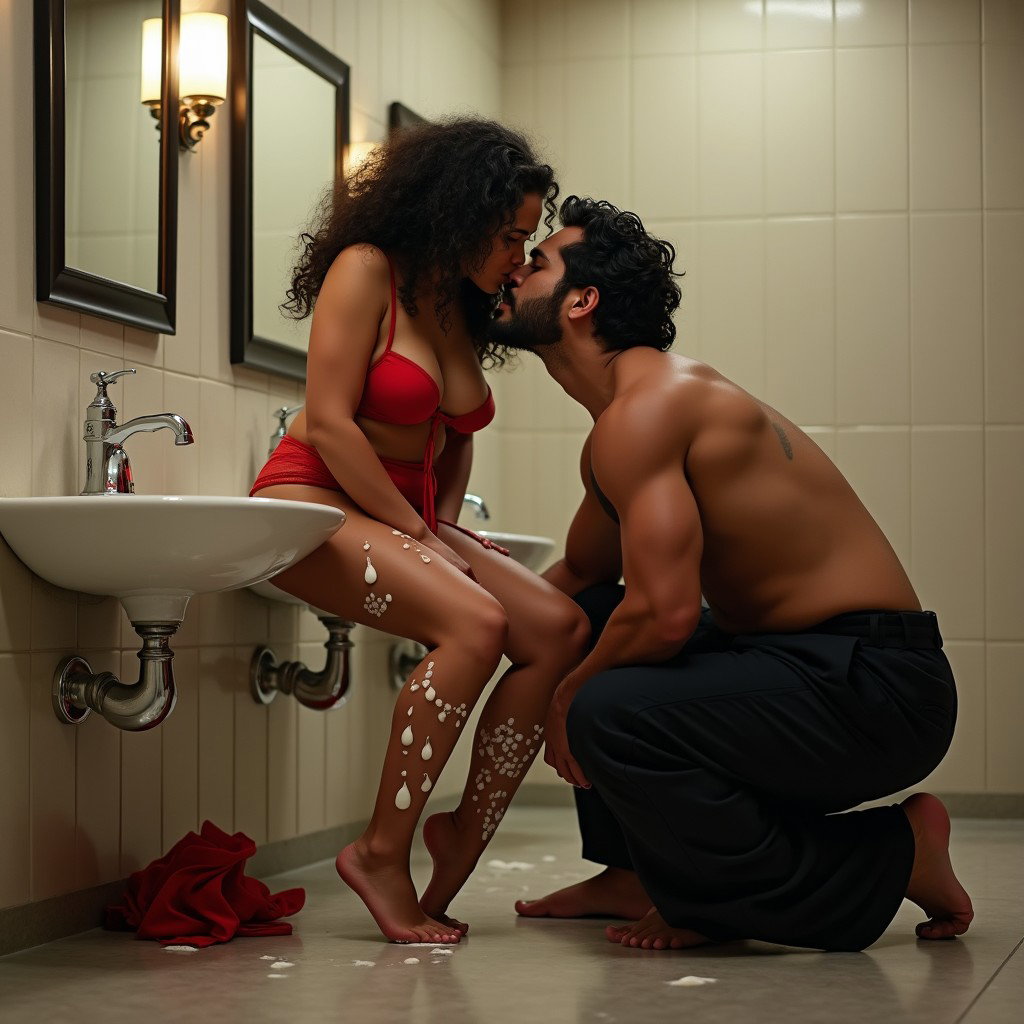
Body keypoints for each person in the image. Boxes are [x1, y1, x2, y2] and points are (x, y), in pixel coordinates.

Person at [483, 195, 973, 952]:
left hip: (879, 686)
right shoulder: (627, 415)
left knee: (608, 709)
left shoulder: (649, 410)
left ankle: (899, 854)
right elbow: (580, 575)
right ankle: (634, 871)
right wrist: (464, 605)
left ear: (582, 301)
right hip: (807, 662)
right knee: (589, 614)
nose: (514, 271)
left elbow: (667, 615)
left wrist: (568, 696)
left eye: (536, 261)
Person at [249, 120, 590, 945]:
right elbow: (328, 423)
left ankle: (460, 838)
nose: (517, 255)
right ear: (458, 211)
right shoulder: (367, 272)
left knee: (557, 626)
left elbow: (457, 427)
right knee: (476, 624)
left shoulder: (458, 303)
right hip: (315, 503)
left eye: (525, 239)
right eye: (510, 235)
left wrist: (437, 525)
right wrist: (425, 537)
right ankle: (378, 851)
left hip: (400, 514)